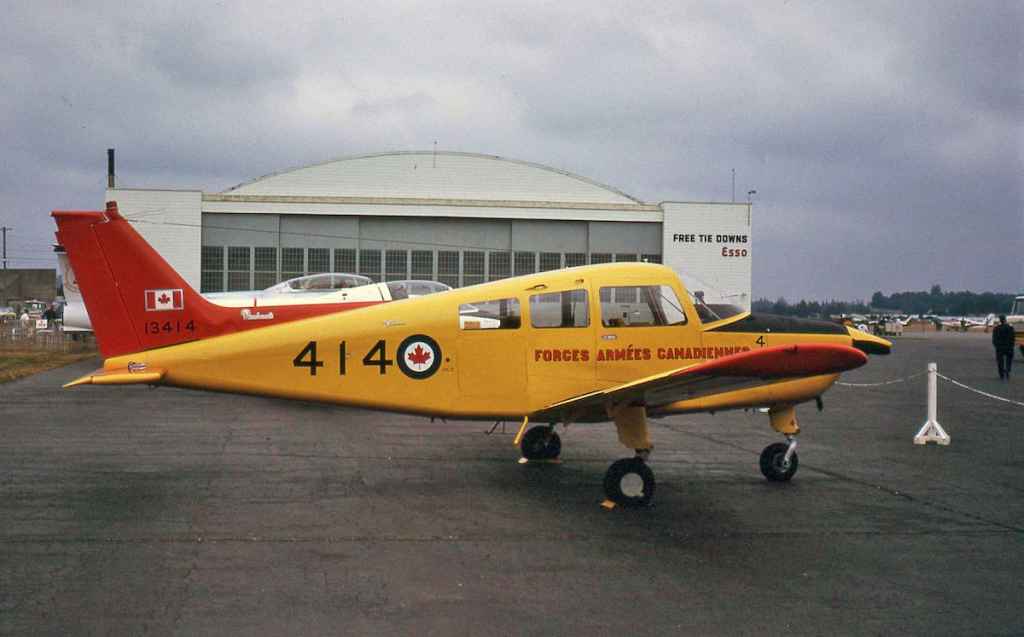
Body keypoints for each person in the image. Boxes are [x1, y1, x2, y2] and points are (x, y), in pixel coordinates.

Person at [992, 315, 1015, 380]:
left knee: (1000, 361)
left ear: (1000, 320)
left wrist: (996, 345)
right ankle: (1008, 370)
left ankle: (1001, 373)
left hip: (1000, 347)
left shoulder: (996, 328)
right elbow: (1012, 337)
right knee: (1009, 360)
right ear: (1005, 320)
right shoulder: (1010, 328)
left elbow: (994, 339)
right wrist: (1012, 345)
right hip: (1008, 346)